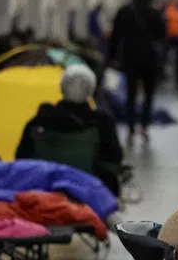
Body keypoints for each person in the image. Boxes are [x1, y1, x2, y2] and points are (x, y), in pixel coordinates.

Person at [15, 63, 124, 195]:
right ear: (91, 89)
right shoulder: (103, 123)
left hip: (44, 190)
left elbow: (20, 158)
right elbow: (115, 158)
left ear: (62, 87)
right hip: (89, 192)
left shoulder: (39, 121)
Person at [109, 0, 166, 142]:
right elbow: (162, 35)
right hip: (149, 57)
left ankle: (131, 128)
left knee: (131, 93)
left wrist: (112, 57)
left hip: (130, 56)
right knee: (149, 94)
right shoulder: (154, 13)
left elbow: (115, 37)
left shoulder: (124, 11)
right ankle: (145, 126)